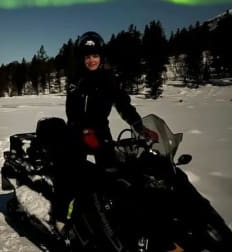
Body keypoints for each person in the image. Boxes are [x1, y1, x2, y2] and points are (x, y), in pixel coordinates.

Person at [52, 31, 158, 232]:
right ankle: (61, 216)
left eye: (95, 56)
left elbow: (123, 104)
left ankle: (113, 216)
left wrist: (139, 126)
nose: (91, 60)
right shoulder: (77, 81)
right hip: (77, 132)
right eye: (87, 56)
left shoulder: (109, 79)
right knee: (72, 173)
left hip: (101, 131)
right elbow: (72, 111)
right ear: (82, 58)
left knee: (114, 173)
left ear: (101, 57)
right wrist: (83, 130)